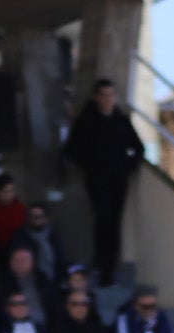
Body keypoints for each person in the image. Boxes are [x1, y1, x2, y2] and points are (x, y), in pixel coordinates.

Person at [61, 78, 142, 282]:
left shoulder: (121, 121)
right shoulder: (87, 121)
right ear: (97, 97)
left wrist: (126, 167)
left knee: (114, 223)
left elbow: (138, 148)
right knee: (102, 220)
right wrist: (89, 166)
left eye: (111, 95)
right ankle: (101, 263)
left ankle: (110, 266)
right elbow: (71, 150)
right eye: (104, 95)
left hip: (118, 180)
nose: (108, 99)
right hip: (97, 180)